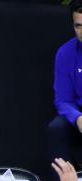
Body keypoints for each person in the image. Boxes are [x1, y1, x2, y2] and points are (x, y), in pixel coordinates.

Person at [48, 0, 82, 167]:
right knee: (57, 127)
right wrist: (77, 118)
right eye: (78, 26)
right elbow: (63, 99)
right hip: (79, 111)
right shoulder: (65, 53)